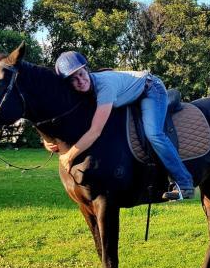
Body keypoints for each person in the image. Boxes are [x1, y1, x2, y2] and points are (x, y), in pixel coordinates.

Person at [47, 51, 194, 201]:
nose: (80, 80)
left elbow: (95, 131)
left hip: (150, 89)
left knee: (154, 133)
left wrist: (69, 156)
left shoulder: (105, 88)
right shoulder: (82, 92)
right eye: (73, 79)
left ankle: (184, 183)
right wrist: (49, 141)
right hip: (130, 91)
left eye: (80, 74)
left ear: (86, 69)